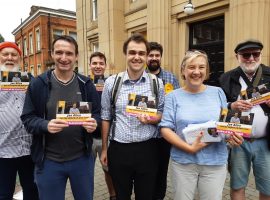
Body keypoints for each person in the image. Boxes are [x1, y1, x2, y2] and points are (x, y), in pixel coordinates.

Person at [21, 35, 101, 200]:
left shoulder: (86, 84)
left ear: (76, 56)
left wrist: (95, 123)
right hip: (49, 161)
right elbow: (27, 118)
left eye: (69, 53)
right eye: (59, 52)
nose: (64, 58)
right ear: (52, 54)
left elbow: (98, 114)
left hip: (82, 159)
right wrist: (45, 125)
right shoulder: (38, 84)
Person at [160, 50, 243, 200]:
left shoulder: (218, 92)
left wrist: (231, 137)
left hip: (215, 161)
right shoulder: (173, 96)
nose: (196, 72)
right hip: (183, 162)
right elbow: (165, 128)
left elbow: (223, 124)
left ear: (207, 71)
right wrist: (189, 148)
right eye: (191, 67)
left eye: (201, 67)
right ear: (183, 70)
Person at [100, 33, 165, 200]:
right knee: (122, 196)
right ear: (125, 54)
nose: (137, 57)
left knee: (146, 196)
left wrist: (152, 119)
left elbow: (161, 113)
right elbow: (106, 116)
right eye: (132, 52)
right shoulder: (112, 83)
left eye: (141, 53)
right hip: (119, 149)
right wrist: (105, 148)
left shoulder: (156, 83)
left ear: (146, 56)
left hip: (148, 149)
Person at [219, 39, 270, 200]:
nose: (251, 58)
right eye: (246, 55)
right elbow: (218, 107)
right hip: (238, 140)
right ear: (237, 56)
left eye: (255, 54)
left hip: (266, 141)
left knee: (268, 188)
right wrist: (231, 105)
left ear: (260, 55)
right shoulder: (227, 78)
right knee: (237, 185)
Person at [0, 42, 39, 200]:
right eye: (5, 54)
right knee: (4, 194)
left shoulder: (29, 79)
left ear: (20, 59)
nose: (10, 58)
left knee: (32, 191)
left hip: (28, 148)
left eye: (14, 54)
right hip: (3, 151)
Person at [146, 41, 180, 200]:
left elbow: (178, 103)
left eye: (157, 55)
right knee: (145, 171)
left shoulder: (170, 77)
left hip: (163, 135)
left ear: (161, 57)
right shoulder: (140, 76)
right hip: (144, 134)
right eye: (151, 55)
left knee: (161, 172)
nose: (154, 58)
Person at [89, 51, 116, 200]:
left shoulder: (111, 83)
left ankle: (113, 195)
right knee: (86, 172)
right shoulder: (84, 83)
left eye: (101, 63)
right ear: (90, 65)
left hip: (107, 136)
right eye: (95, 63)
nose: (98, 66)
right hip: (87, 137)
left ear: (105, 66)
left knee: (109, 170)